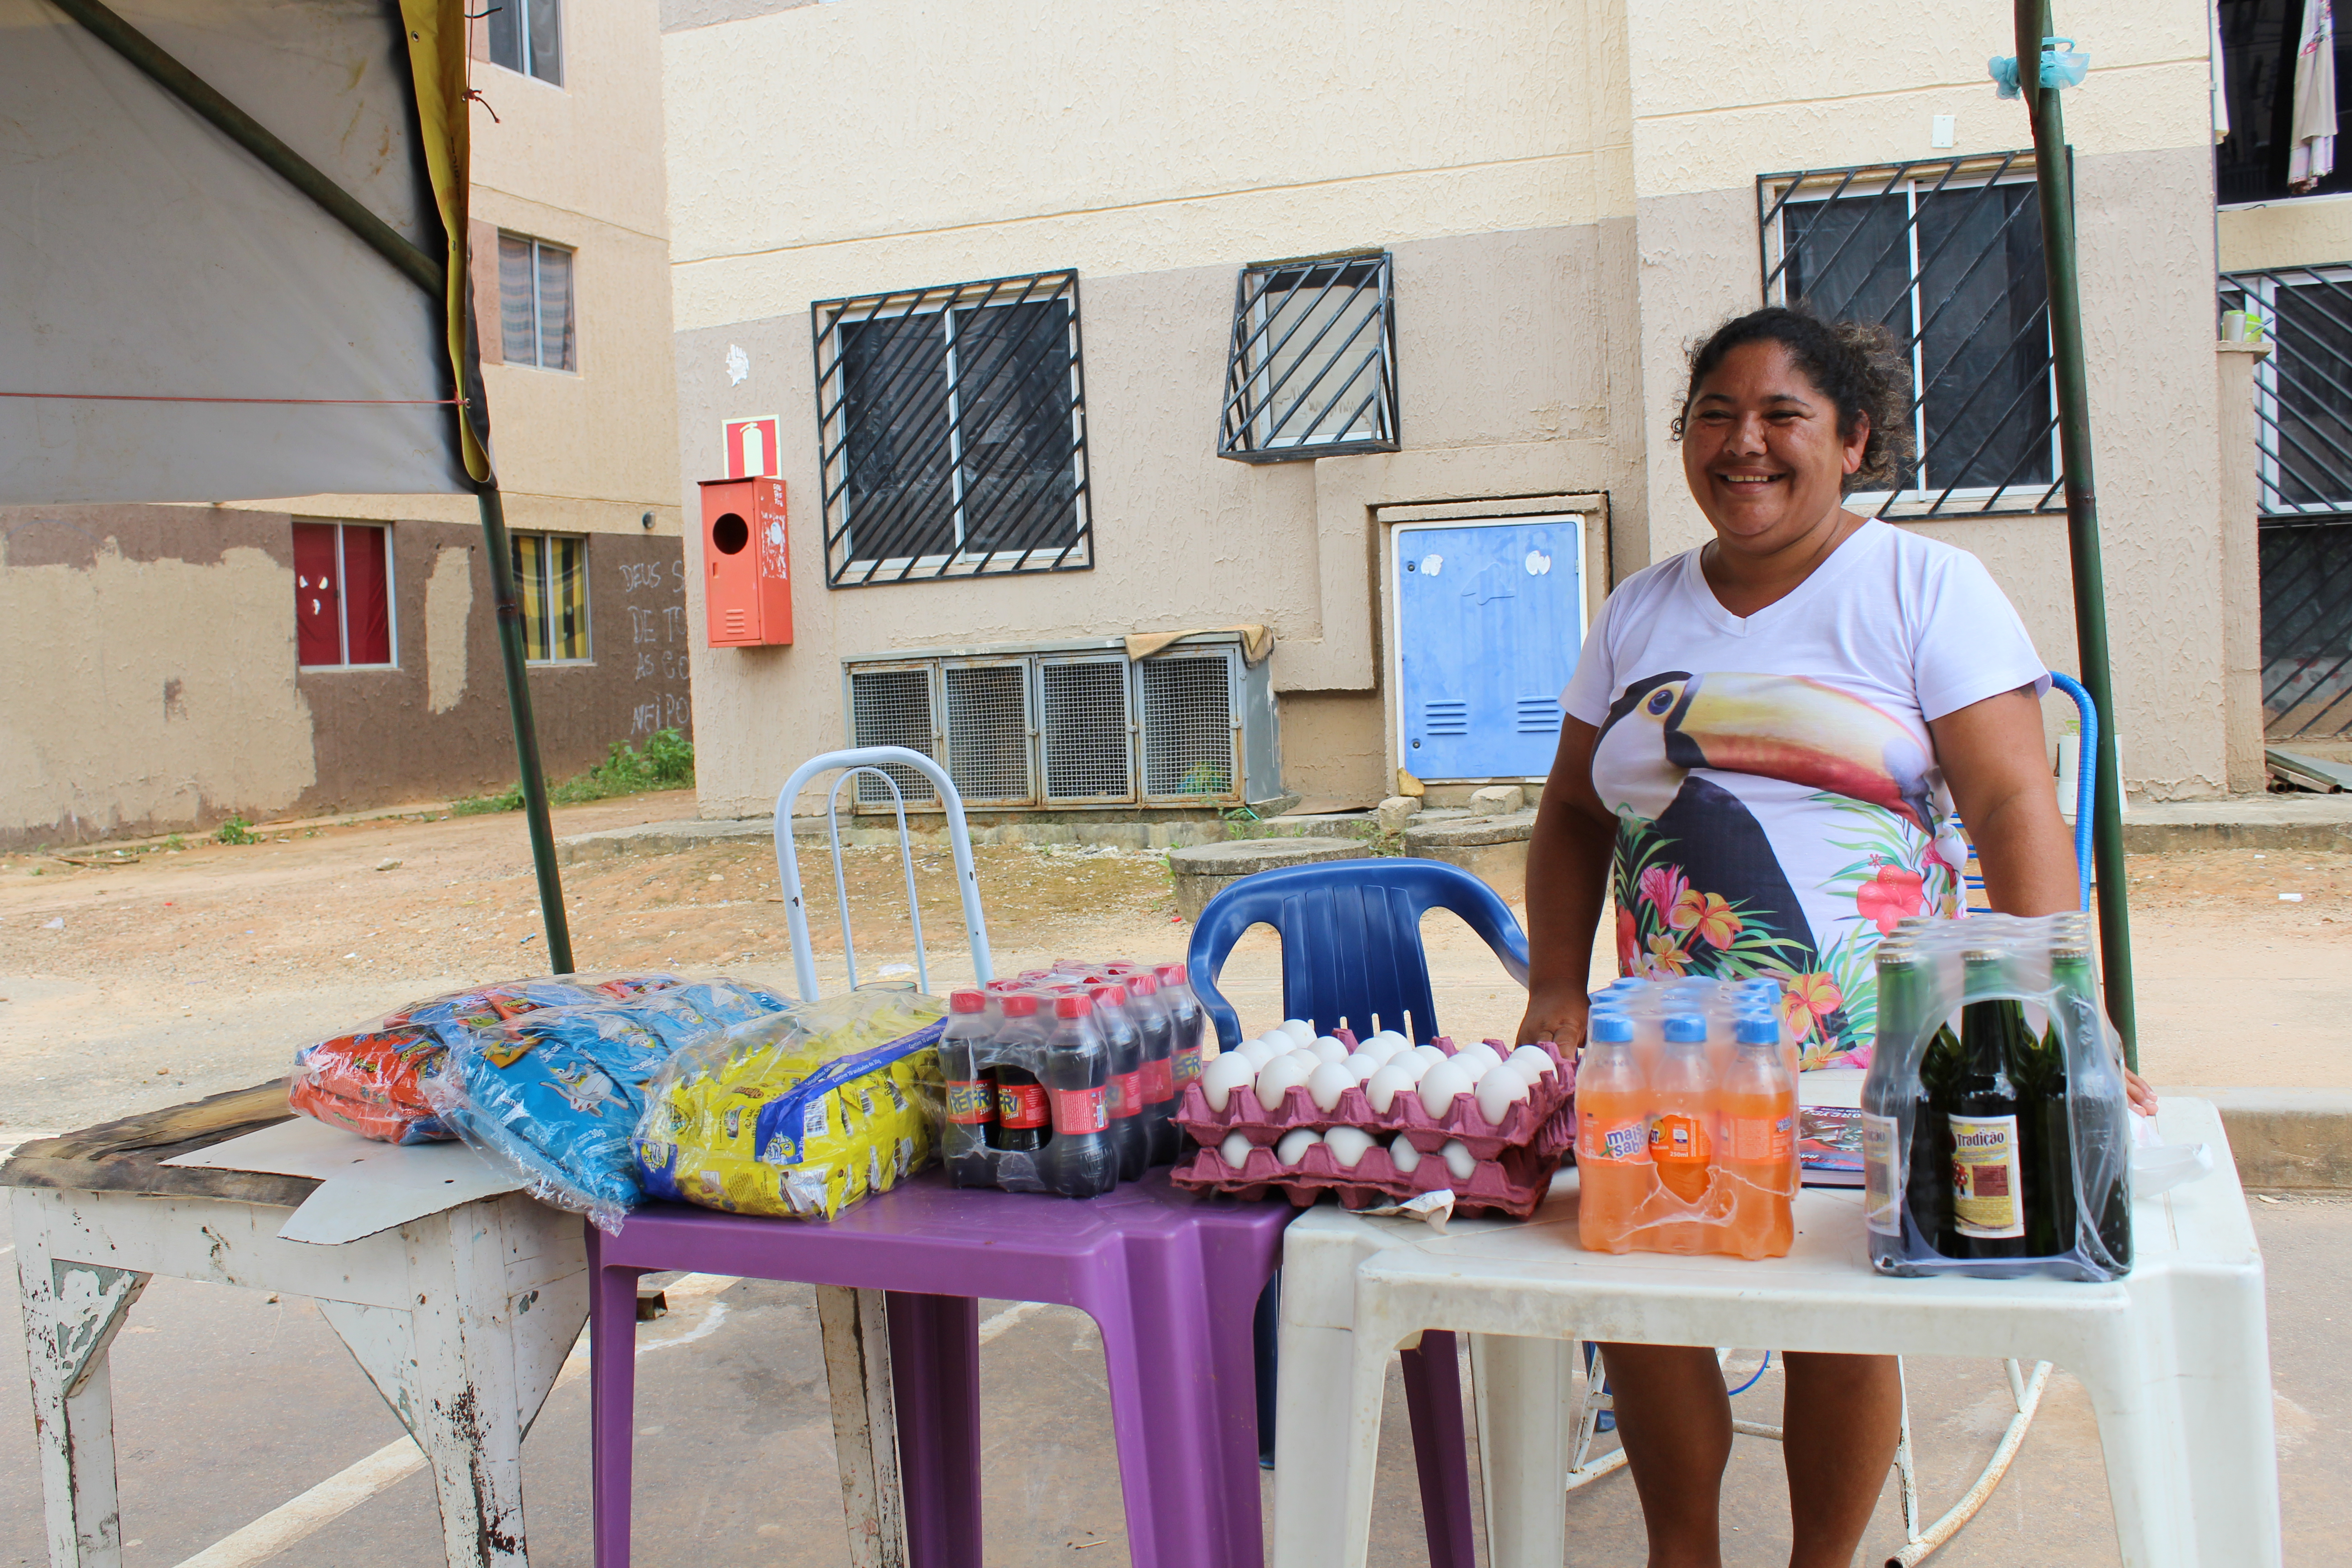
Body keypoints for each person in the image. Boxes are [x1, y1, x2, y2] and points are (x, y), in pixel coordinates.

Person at [1516, 305, 2155, 1568]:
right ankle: (1681, 1553)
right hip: (1674, 1045)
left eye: (1781, 416)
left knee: (1841, 1310)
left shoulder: (1924, 588)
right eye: (1715, 414)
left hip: (1867, 1044)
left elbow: (2017, 803)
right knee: (1645, 1294)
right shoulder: (1638, 614)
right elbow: (1573, 815)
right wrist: (1554, 988)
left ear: (1853, 440)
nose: (1743, 444)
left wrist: (2057, 1017)